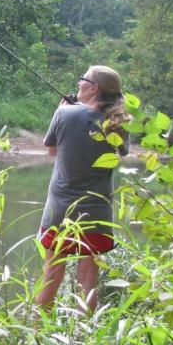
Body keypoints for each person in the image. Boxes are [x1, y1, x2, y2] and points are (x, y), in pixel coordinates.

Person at [35, 65, 131, 314]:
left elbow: (52, 150)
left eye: (82, 79)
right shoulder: (118, 122)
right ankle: (84, 340)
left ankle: (38, 337)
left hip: (61, 210)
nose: (78, 83)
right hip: (98, 212)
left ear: (94, 87)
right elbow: (122, 153)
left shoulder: (66, 114)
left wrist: (61, 109)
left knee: (51, 274)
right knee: (88, 280)